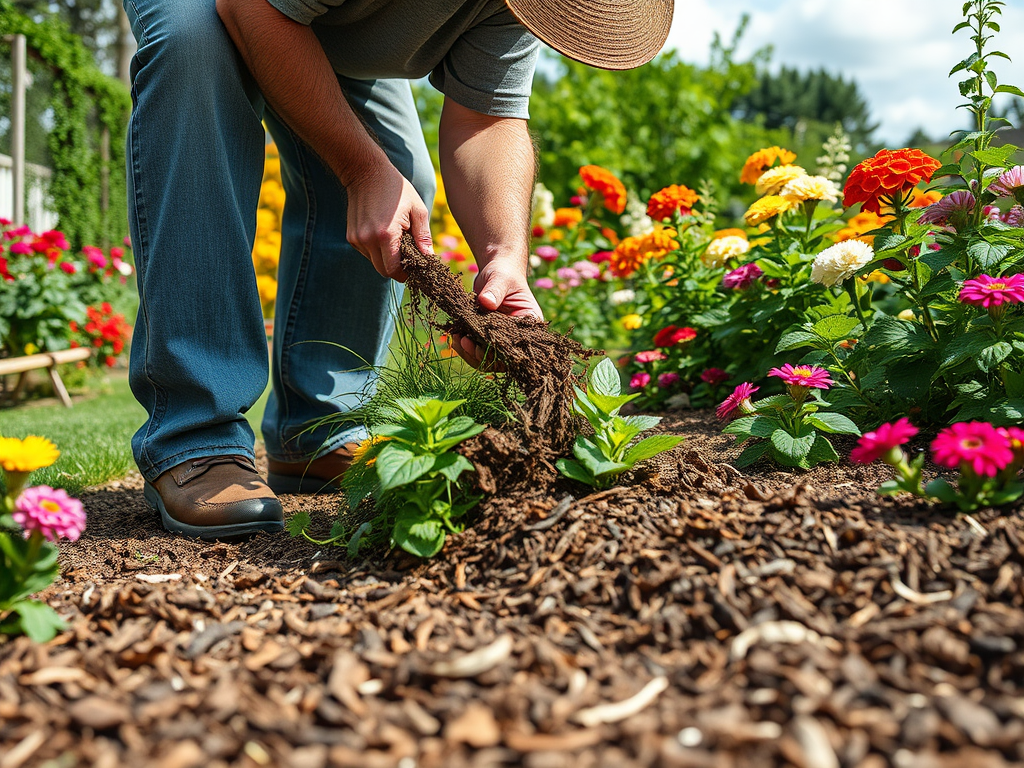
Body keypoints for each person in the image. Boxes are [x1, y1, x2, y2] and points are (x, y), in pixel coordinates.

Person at [124, 0, 674, 540]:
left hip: (316, 20)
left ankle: (320, 427)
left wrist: (504, 255)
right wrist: (362, 171)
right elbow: (251, 8)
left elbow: (486, 119)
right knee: (192, 44)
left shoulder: (526, 4)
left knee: (399, 164)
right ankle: (197, 435)